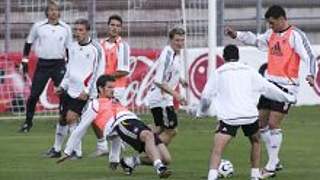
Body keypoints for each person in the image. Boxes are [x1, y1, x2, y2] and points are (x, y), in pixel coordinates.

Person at [225, 5, 317, 178]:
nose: (270, 26)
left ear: (282, 19)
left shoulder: (295, 35)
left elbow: (311, 56)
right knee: (260, 124)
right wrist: (237, 35)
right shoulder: (271, 34)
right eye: (269, 23)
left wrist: (312, 75)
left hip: (286, 87)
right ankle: (275, 160)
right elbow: (256, 40)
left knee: (274, 124)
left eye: (272, 23)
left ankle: (272, 165)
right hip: (269, 84)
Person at [190, 45, 296, 180]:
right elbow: (268, 87)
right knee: (256, 142)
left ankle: (212, 176)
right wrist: (288, 98)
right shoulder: (248, 70)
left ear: (224, 57)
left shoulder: (219, 72)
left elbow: (206, 97)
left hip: (229, 117)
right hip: (249, 115)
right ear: (238, 56)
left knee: (217, 150)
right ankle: (255, 175)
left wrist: (201, 112)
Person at [57, 75, 172, 179]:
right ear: (100, 89)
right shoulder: (94, 104)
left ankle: (130, 162)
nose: (113, 90)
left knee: (166, 159)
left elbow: (116, 137)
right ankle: (160, 168)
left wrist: (114, 158)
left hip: (135, 122)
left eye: (114, 87)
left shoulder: (115, 100)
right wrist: (68, 151)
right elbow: (80, 128)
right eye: (110, 87)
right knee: (148, 135)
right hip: (122, 123)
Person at [45, 19, 105, 158]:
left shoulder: (96, 49)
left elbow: (97, 72)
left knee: (72, 118)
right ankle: (56, 149)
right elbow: (69, 68)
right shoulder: (72, 47)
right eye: (76, 30)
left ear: (87, 31)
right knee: (62, 119)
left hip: (83, 91)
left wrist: (88, 91)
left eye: (80, 30)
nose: (77, 33)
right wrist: (63, 86)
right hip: (69, 89)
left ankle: (76, 152)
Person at [19, 0, 73, 133]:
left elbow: (69, 49)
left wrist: (71, 66)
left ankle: (63, 122)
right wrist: (24, 62)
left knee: (64, 94)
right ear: (47, 12)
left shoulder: (66, 28)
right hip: (43, 64)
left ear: (59, 12)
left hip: (59, 64)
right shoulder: (38, 26)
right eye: (51, 10)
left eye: (56, 10)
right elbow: (28, 43)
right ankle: (28, 122)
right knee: (34, 95)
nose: (54, 12)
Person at [91, 14, 131, 158]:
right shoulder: (99, 45)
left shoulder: (123, 46)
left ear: (121, 29)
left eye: (117, 26)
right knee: (93, 116)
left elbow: (124, 70)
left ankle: (120, 146)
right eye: (112, 25)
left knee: (116, 120)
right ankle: (103, 145)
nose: (114, 28)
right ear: (108, 26)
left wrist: (105, 78)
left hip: (116, 89)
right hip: (100, 88)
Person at [146, 27, 188, 146]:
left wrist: (180, 80)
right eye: (177, 40)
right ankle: (153, 153)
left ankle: (133, 133)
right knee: (171, 130)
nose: (180, 43)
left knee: (159, 128)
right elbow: (158, 81)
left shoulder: (175, 53)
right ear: (170, 40)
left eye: (182, 40)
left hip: (163, 98)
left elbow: (169, 73)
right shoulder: (167, 55)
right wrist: (177, 95)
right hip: (161, 98)